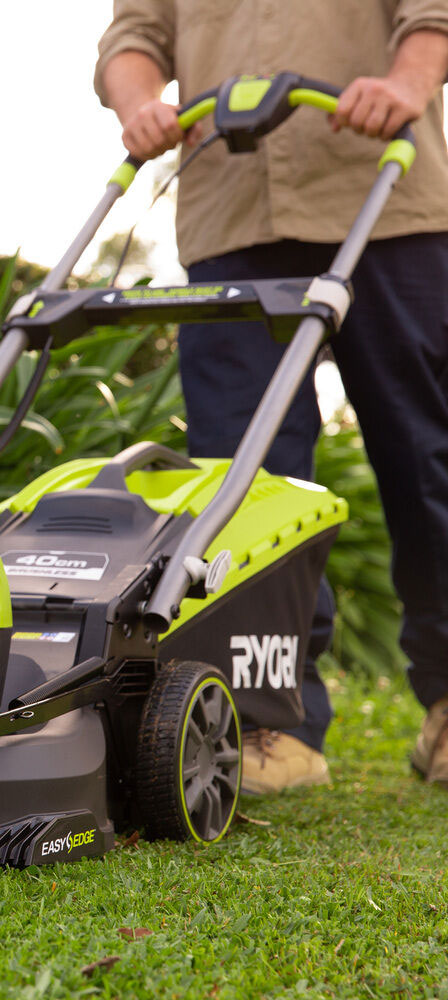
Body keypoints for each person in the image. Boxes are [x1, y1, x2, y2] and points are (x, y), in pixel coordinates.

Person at [94, 2, 448, 793]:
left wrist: (405, 81)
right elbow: (134, 37)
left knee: (425, 459)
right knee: (244, 479)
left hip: (385, 195)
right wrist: (140, 104)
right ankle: (270, 723)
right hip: (231, 213)